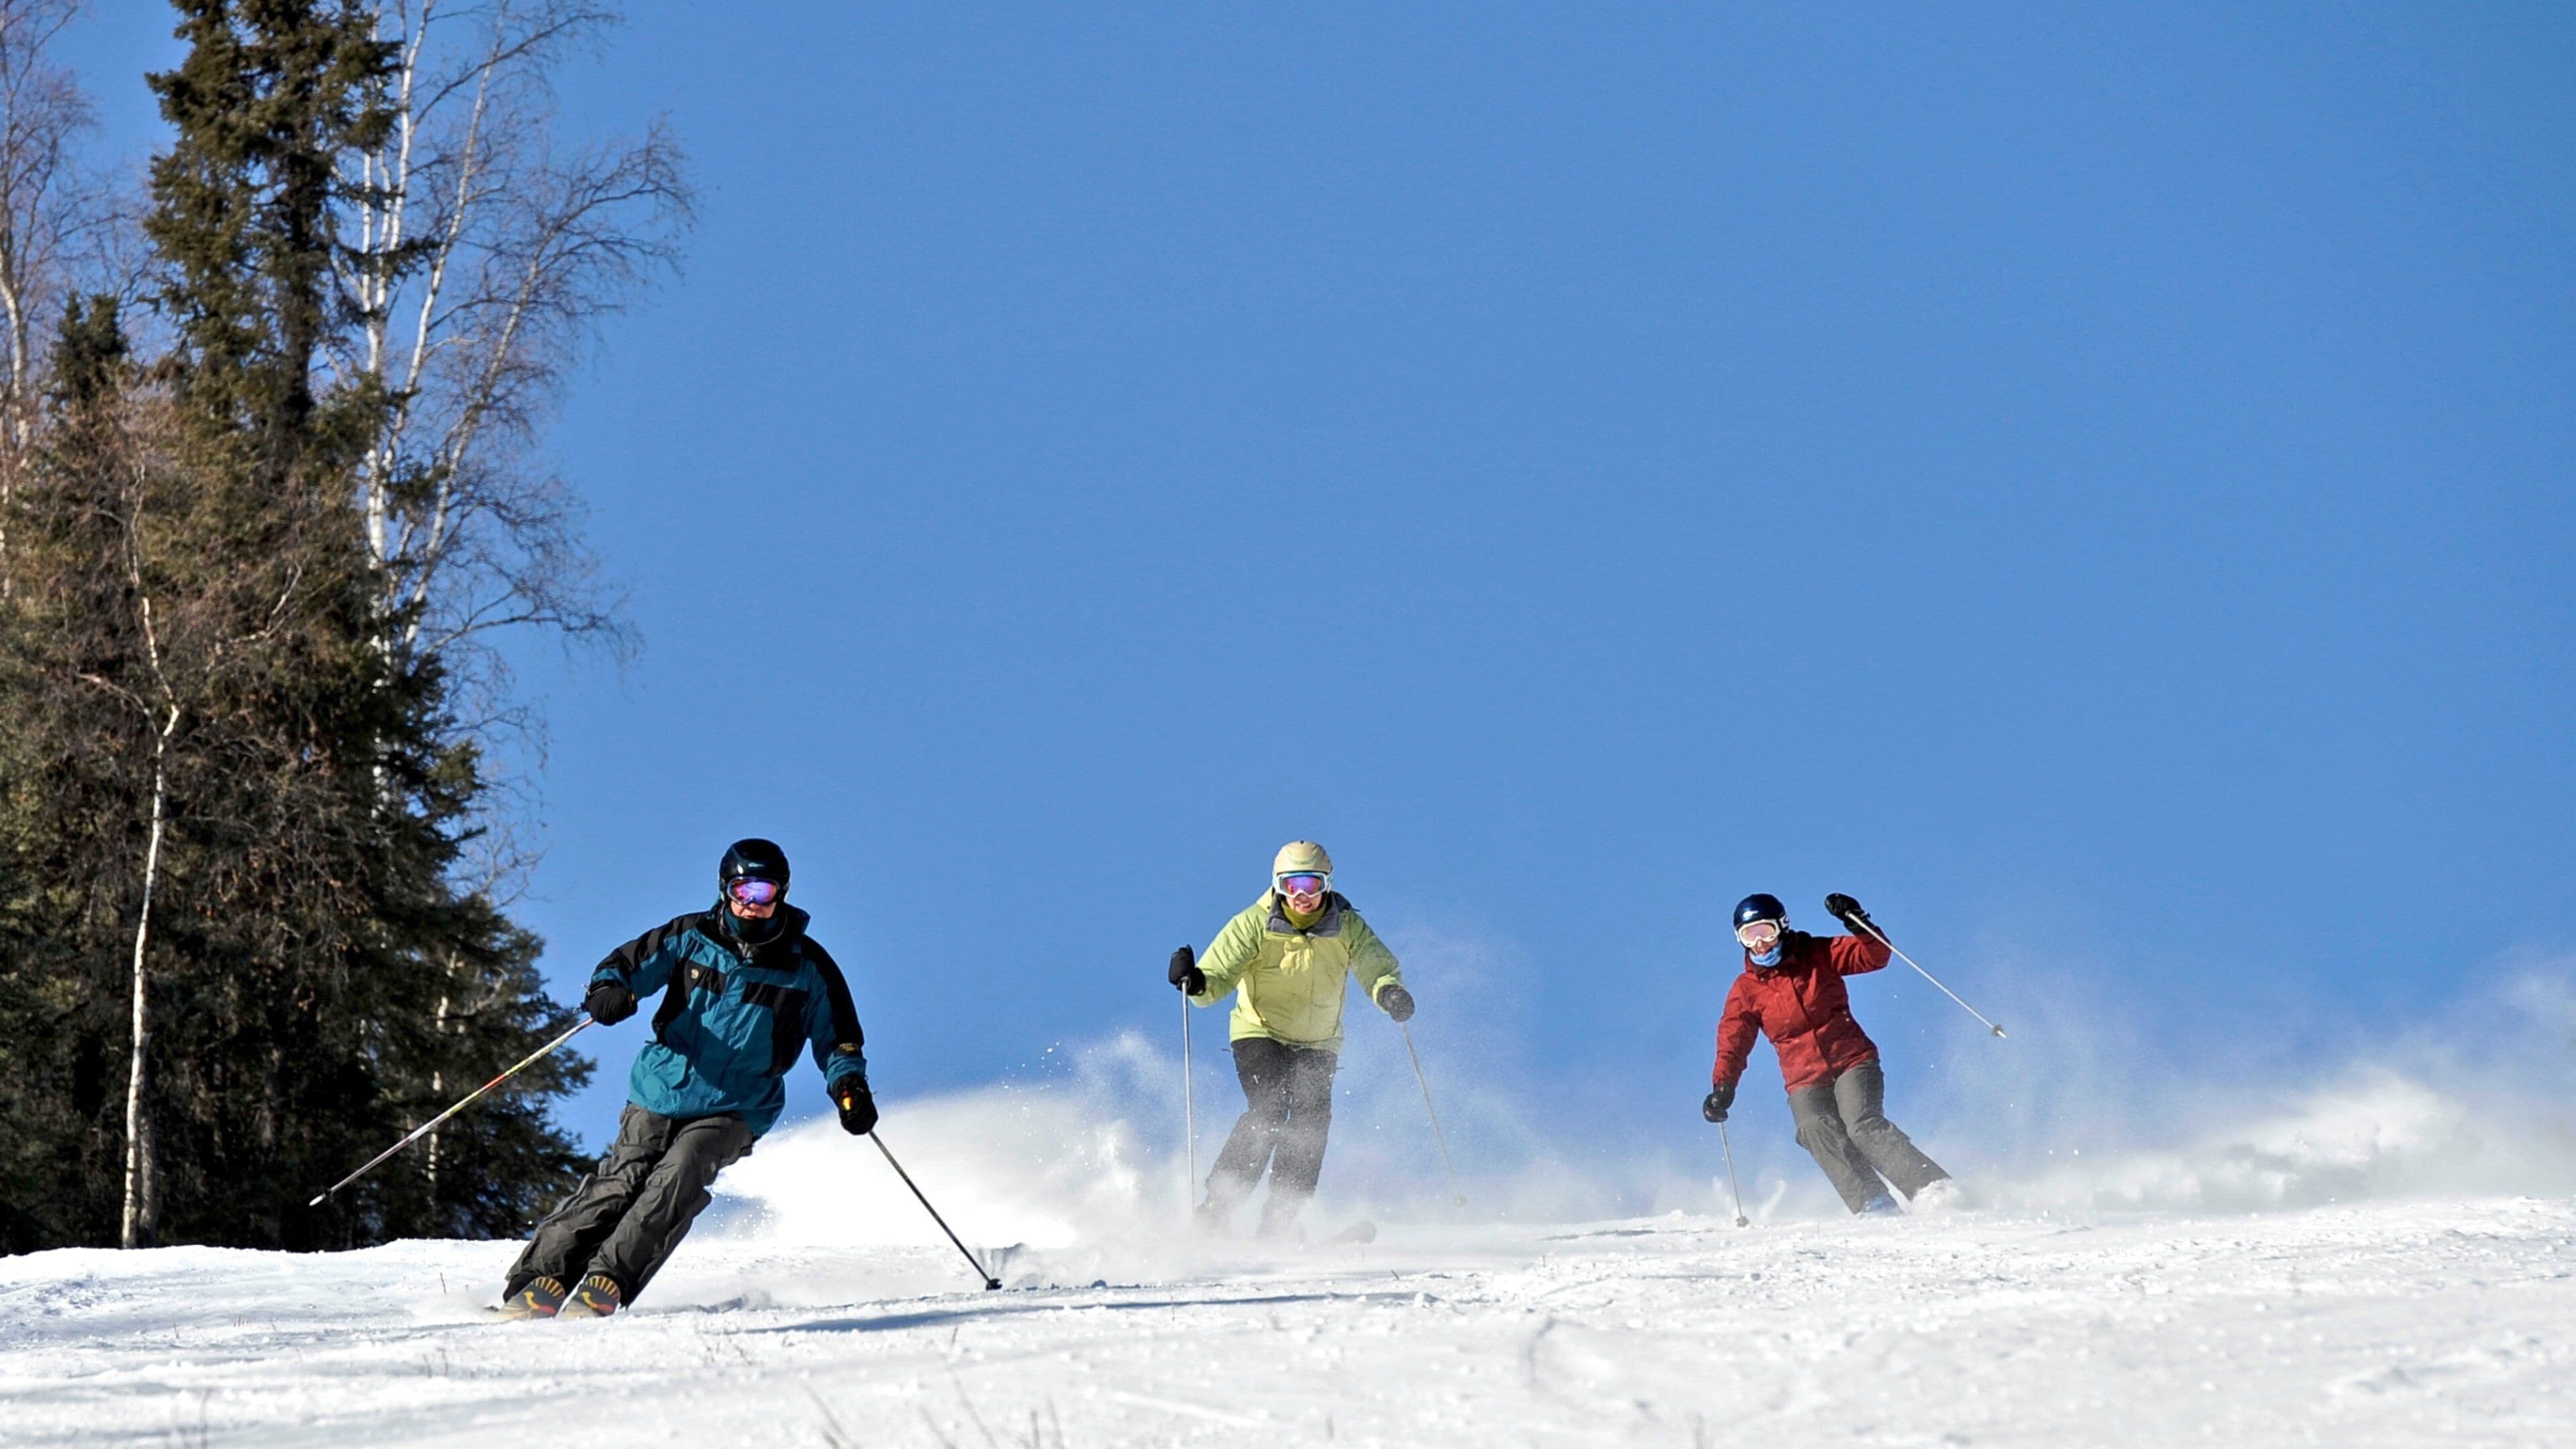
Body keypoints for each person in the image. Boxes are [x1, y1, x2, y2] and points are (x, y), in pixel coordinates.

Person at [496, 839, 875, 1318]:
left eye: (764, 891)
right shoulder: (690, 936)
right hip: (662, 1088)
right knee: (624, 1179)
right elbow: (626, 966)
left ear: (782, 893)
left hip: (736, 1105)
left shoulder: (807, 966)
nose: (752, 904)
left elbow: (839, 1039)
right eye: (743, 890)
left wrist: (849, 1087)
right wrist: (609, 992)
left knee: (682, 1171)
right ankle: (538, 1279)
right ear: (725, 888)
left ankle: (607, 1281)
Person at [1168, 841, 1414, 1238]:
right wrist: (1195, 981)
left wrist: (1389, 992)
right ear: (1278, 885)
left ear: (1327, 884)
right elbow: (1218, 975)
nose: (1303, 896)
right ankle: (1218, 1208)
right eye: (1293, 884)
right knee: (1269, 1109)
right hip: (1260, 1032)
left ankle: (1281, 1216)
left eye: (1312, 884)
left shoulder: (1347, 926)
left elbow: (1375, 964)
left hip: (1319, 1042)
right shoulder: (1254, 923)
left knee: (1311, 1121)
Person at [1703, 892, 1955, 1216]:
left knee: (1861, 1125)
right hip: (1805, 1079)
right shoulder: (1746, 990)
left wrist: (1858, 923)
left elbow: (1875, 956)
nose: (1760, 943)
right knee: (1813, 1128)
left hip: (1851, 1061)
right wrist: (1723, 1086)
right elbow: (1732, 1041)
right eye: (1749, 936)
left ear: (1782, 927)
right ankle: (1873, 1203)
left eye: (1765, 931)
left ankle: (1932, 1188)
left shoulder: (1819, 954)